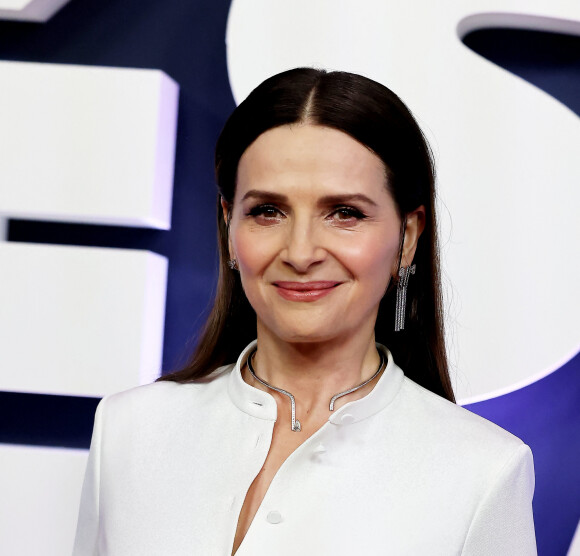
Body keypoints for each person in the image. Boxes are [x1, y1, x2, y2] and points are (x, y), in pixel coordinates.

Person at [73, 68, 536, 555]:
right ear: (230, 225)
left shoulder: (482, 472)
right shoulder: (128, 429)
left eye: (345, 213)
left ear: (408, 237)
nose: (300, 251)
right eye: (268, 211)